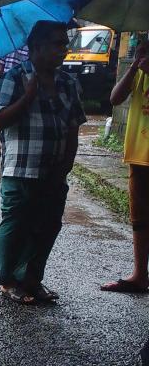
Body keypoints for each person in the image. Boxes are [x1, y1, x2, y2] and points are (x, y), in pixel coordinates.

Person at [0, 20, 86, 304]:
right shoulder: (14, 78)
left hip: (54, 172)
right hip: (20, 169)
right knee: (17, 225)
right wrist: (28, 97)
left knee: (47, 226)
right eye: (57, 44)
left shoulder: (68, 82)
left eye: (64, 44)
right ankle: (8, 281)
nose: (63, 50)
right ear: (36, 48)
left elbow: (73, 125)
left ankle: (32, 279)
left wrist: (66, 164)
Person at [100, 42, 149, 293]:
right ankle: (140, 275)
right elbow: (115, 98)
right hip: (140, 153)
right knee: (139, 217)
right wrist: (133, 67)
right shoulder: (140, 67)